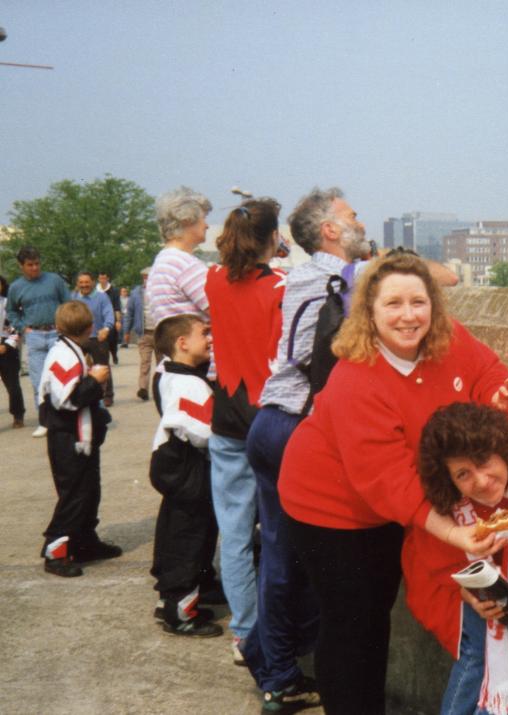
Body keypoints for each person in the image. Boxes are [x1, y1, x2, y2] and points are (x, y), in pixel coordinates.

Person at [242, 187, 458, 703]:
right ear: (331, 231)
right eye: (352, 216)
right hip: (304, 426)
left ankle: (272, 669)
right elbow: (440, 279)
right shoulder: (350, 276)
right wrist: (385, 261)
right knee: (340, 591)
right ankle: (298, 673)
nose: (361, 220)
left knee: (283, 561)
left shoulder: (299, 273)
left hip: (270, 420)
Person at [277, 252, 508, 714]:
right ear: (369, 311)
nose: (409, 316)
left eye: (418, 302)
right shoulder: (355, 379)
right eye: (394, 304)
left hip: (388, 503)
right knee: (352, 622)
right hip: (331, 508)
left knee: (374, 615)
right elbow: (388, 481)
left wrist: (498, 397)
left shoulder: (448, 339)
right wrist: (452, 532)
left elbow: (487, 374)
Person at [411, 402, 508, 715]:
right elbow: (439, 560)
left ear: (502, 449)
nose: (482, 481)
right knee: (478, 656)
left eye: (484, 462)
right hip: (471, 596)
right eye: (463, 474)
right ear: (449, 481)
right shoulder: (450, 511)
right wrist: (466, 592)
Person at [204, 199, 286, 671]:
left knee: (233, 529)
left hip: (225, 413)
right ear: (273, 238)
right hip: (266, 412)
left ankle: (243, 629)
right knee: (275, 530)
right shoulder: (279, 285)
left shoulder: (213, 280)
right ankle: (273, 632)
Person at [148, 314, 222, 638]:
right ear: (181, 343)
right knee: (189, 537)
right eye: (203, 334)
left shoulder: (171, 374)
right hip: (187, 471)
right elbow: (206, 432)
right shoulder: (188, 383)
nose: (209, 339)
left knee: (178, 531)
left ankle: (177, 597)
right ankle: (181, 613)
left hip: (177, 470)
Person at [37, 300, 119, 577]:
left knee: (89, 489)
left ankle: (84, 541)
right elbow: (67, 399)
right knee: (74, 494)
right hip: (67, 436)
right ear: (90, 327)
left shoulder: (72, 350)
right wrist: (95, 381)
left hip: (80, 435)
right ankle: (55, 550)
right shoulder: (64, 356)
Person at [5, 246, 71, 437]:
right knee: (38, 381)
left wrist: (65, 325)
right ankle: (45, 421)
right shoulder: (16, 287)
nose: (34, 268)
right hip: (34, 337)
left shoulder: (54, 280)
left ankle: (66, 417)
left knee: (62, 377)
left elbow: (67, 303)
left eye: (37, 263)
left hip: (56, 334)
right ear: (21, 266)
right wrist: (22, 326)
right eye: (30, 265)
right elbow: (11, 311)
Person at [148, 187, 212, 325]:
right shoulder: (185, 265)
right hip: (200, 345)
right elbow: (223, 311)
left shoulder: (161, 263)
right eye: (203, 218)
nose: (207, 225)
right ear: (187, 219)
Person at [72, 271, 116, 406]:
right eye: (81, 282)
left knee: (102, 367)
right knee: (78, 368)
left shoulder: (102, 297)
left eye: (87, 282)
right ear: (77, 284)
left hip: (98, 337)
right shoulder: (73, 297)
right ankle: (83, 394)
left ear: (92, 282)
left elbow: (109, 313)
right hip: (78, 339)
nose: (84, 285)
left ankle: (107, 395)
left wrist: (107, 328)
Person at [123, 268, 154, 400]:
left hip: (161, 332)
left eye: (149, 276)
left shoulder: (161, 291)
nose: (147, 279)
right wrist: (126, 331)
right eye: (145, 277)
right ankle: (143, 388)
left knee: (163, 364)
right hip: (144, 332)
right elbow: (129, 313)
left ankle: (162, 389)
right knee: (145, 362)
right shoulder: (136, 293)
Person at [0, 275, 26, 429]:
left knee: (13, 385)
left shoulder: (10, 304)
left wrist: (7, 345)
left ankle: (18, 414)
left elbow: (17, 327)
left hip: (7, 347)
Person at [96, 271, 122, 365]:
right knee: (102, 340)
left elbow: (117, 307)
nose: (102, 280)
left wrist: (118, 321)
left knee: (112, 339)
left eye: (104, 278)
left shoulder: (113, 291)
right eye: (100, 278)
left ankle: (114, 354)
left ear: (107, 279)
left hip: (111, 317)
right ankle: (104, 358)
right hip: (99, 319)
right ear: (98, 279)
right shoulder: (95, 291)